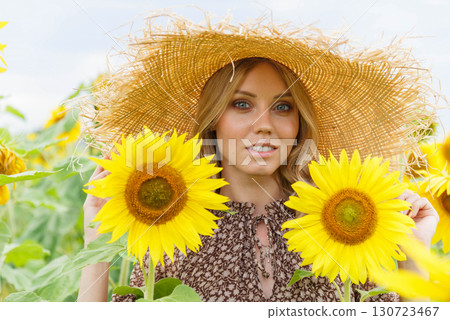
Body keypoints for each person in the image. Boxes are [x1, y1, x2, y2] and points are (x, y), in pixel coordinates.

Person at [77, 12, 439, 302]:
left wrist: (413, 253)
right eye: (241, 104)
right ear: (214, 119)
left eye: (283, 106)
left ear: (299, 125)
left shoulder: (345, 226)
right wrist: (97, 243)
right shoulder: (174, 229)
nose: (264, 125)